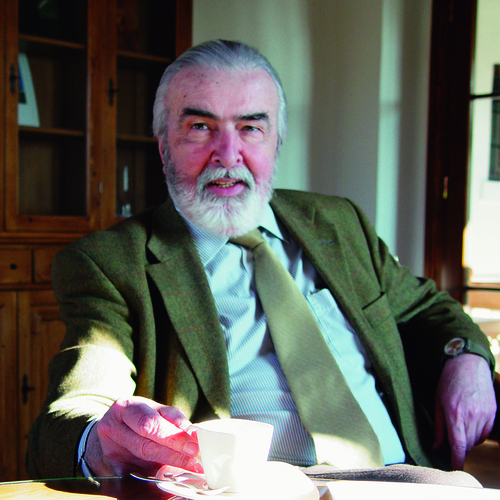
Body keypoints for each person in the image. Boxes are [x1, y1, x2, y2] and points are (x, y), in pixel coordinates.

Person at [26, 40, 497, 481]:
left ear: (277, 141)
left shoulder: (339, 222)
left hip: (408, 479)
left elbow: (425, 308)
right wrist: (101, 440)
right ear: (164, 145)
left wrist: (465, 357)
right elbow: (75, 408)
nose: (228, 155)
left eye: (251, 128)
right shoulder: (109, 263)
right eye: (200, 127)